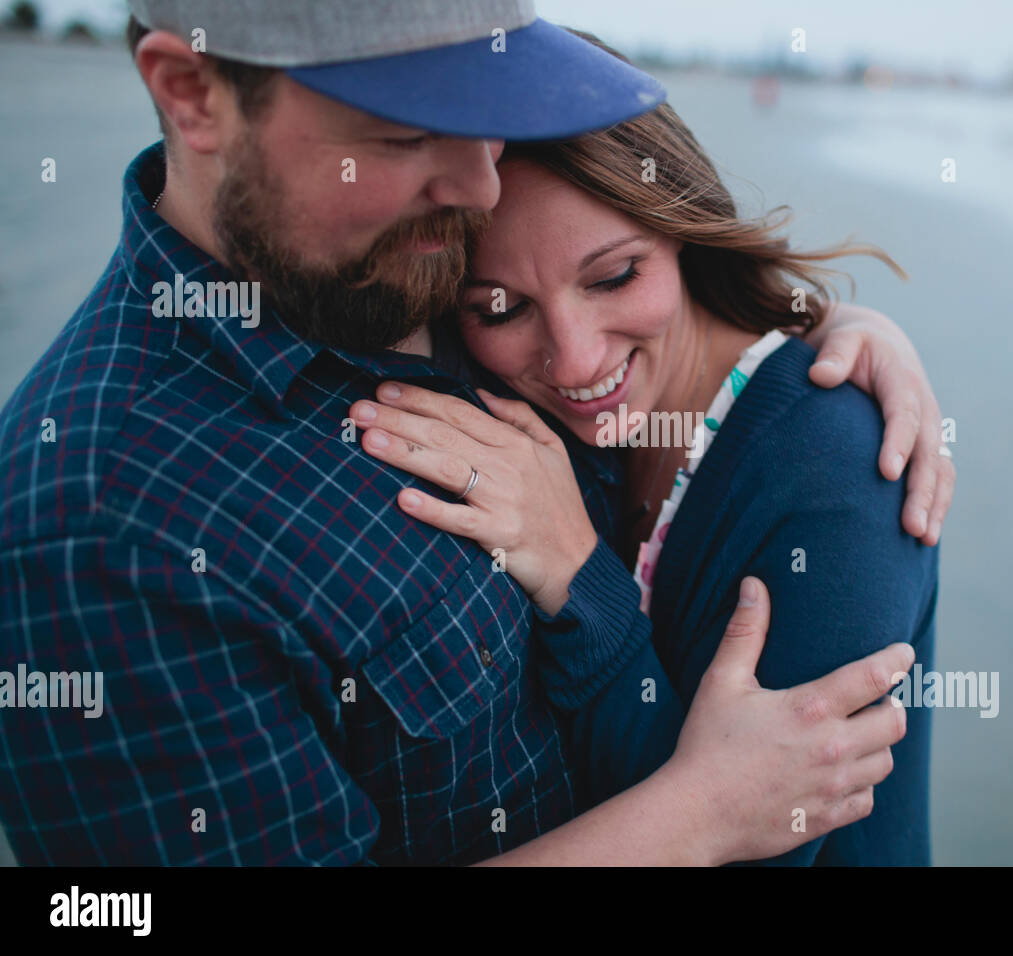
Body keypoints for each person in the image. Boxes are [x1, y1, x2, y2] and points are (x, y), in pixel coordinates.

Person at [0, 0, 950, 865]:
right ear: (192, 91)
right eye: (409, 130)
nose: (480, 181)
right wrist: (695, 815)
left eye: (489, 108)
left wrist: (826, 331)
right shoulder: (101, 534)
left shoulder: (413, 255)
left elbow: (637, 305)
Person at [349, 32, 941, 865]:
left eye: (615, 276)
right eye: (500, 309)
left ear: (685, 231)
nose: (577, 358)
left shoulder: (839, 467)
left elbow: (758, 835)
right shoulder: (552, 419)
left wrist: (577, 575)